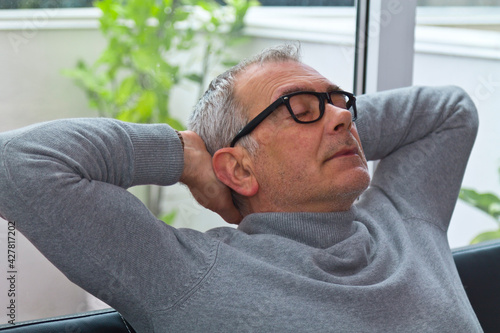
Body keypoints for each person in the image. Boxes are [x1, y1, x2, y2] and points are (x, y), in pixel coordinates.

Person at [0, 44, 482, 332]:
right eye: (301, 106)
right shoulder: (183, 275)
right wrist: (186, 155)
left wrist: (324, 120)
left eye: (340, 103)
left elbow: (450, 110)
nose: (342, 116)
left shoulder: (406, 218)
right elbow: (16, 163)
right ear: (239, 170)